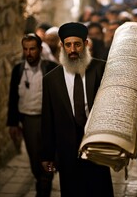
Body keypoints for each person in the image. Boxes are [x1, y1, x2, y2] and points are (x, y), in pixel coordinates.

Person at [41, 22, 114, 197]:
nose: (73, 49)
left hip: (97, 148)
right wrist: (47, 155)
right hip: (67, 153)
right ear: (62, 46)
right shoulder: (51, 79)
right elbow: (48, 119)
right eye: (68, 45)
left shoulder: (101, 69)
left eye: (77, 44)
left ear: (86, 44)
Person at [7, 33, 58, 197]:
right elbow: (13, 97)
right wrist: (13, 123)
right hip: (28, 121)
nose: (29, 53)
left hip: (47, 121)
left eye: (32, 49)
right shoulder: (18, 70)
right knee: (35, 158)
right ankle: (42, 179)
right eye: (25, 49)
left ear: (40, 49)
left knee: (49, 158)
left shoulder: (51, 68)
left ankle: (46, 181)